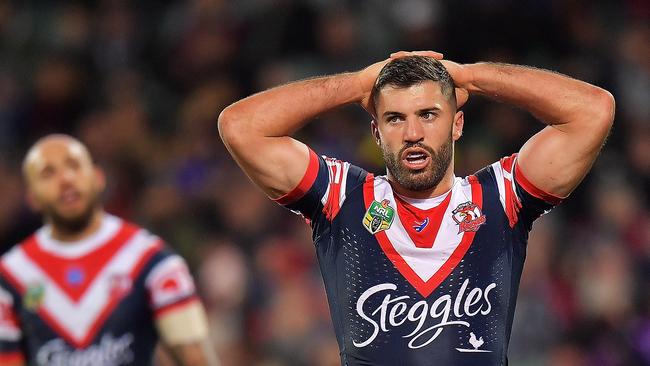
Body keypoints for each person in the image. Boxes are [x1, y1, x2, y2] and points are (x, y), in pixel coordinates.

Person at [218, 51, 615, 365]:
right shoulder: (342, 198)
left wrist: (469, 77)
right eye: (394, 118)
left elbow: (593, 109)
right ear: (376, 131)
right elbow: (240, 125)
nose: (412, 134)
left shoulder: (501, 198)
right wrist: (357, 84)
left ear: (457, 124)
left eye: (428, 115)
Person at [0, 134, 218, 366]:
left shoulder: (152, 261)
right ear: (32, 198)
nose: (65, 179)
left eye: (74, 165)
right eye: (48, 173)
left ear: (98, 178)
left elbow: (196, 358)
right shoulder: (10, 276)